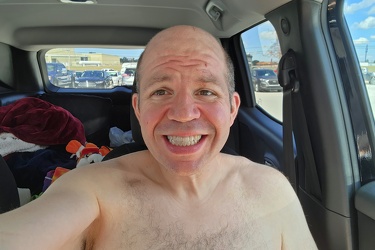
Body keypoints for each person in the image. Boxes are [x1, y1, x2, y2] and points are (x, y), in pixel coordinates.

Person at [0, 25, 317, 249]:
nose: (183, 113)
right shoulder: (91, 189)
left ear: (232, 109)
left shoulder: (273, 190)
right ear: (138, 108)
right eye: (161, 91)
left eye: (205, 91)